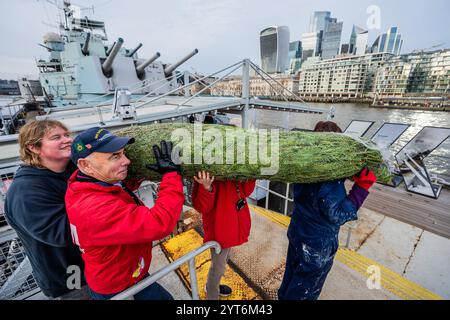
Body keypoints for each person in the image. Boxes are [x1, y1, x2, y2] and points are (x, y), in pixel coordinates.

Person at [65, 127, 185, 300]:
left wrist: (139, 176)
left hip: (129, 270)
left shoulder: (84, 182)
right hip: (118, 287)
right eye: (115, 156)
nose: (127, 160)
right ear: (85, 165)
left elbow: (117, 190)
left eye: (123, 153)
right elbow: (159, 223)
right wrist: (171, 176)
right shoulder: (94, 208)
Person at [278, 121, 377, 300]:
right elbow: (337, 214)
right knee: (304, 290)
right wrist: (362, 187)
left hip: (298, 232)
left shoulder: (305, 167)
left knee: (291, 277)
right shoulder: (328, 182)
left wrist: (344, 174)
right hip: (317, 244)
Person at [4, 120, 86, 299]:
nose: (67, 140)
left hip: (103, 267)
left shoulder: (75, 169)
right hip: (72, 279)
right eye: (56, 137)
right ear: (33, 147)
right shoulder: (26, 191)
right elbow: (60, 233)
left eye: (66, 135)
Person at [192, 171, 256, 300]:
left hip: (232, 227)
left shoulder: (234, 168)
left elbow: (245, 192)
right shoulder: (206, 173)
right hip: (220, 232)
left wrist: (251, 176)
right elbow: (202, 207)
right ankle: (211, 293)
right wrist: (206, 187)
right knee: (218, 269)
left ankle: (212, 285)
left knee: (223, 262)